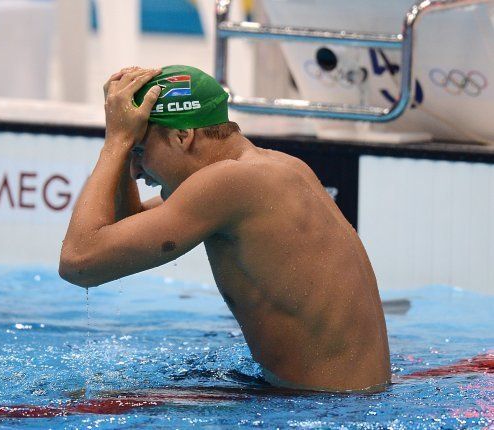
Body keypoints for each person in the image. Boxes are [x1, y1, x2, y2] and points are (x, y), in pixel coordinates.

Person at [59, 65, 391, 393]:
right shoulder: (271, 169)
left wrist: (115, 142)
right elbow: (124, 230)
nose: (134, 171)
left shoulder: (232, 183)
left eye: (141, 152)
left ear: (182, 136)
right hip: (338, 402)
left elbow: (79, 262)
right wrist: (124, 139)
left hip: (322, 412)